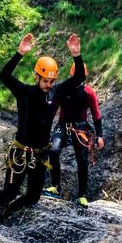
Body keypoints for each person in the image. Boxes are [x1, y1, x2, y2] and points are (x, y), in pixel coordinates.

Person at [0, 31, 84, 222]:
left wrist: (76, 55)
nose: (48, 85)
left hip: (40, 154)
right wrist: (20, 53)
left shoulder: (56, 93)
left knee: (33, 197)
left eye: (51, 81)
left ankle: (8, 211)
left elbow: (79, 77)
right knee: (10, 191)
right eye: (45, 81)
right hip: (20, 152)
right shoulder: (24, 92)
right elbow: (4, 75)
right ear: (37, 77)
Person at [45, 63, 105, 206]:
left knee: (82, 161)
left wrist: (100, 135)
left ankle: (82, 195)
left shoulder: (88, 92)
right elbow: (53, 111)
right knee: (53, 151)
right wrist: (45, 129)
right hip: (62, 126)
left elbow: (96, 114)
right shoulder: (62, 90)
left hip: (81, 128)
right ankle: (55, 187)